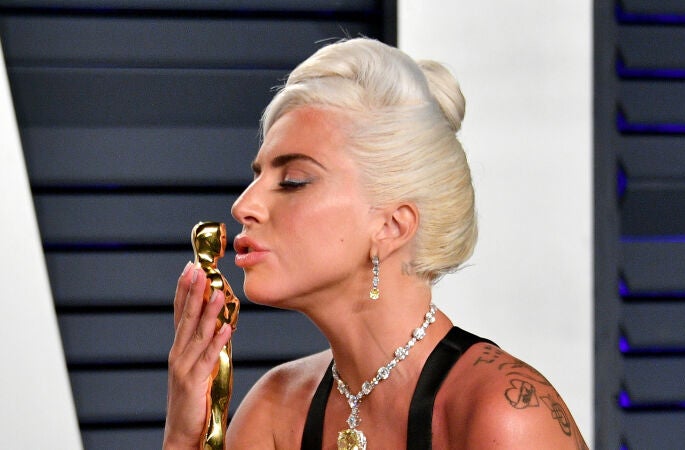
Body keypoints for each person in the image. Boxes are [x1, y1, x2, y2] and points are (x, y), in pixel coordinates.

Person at [164, 38, 588, 449]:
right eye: (258, 176)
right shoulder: (275, 409)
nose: (243, 205)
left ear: (392, 226)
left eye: (293, 180)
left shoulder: (503, 414)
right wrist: (185, 435)